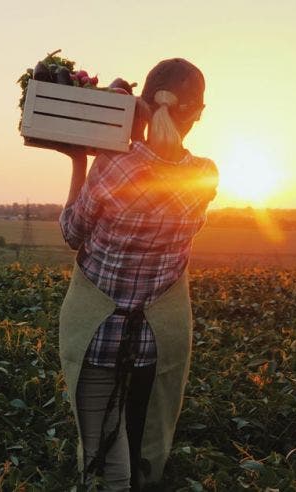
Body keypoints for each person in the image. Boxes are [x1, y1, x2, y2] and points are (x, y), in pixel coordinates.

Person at [55, 58, 218, 490]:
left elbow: (73, 232)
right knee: (142, 450)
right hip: (155, 342)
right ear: (197, 112)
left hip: (98, 337)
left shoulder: (113, 165)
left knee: (104, 464)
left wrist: (79, 161)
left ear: (142, 104)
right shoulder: (205, 175)